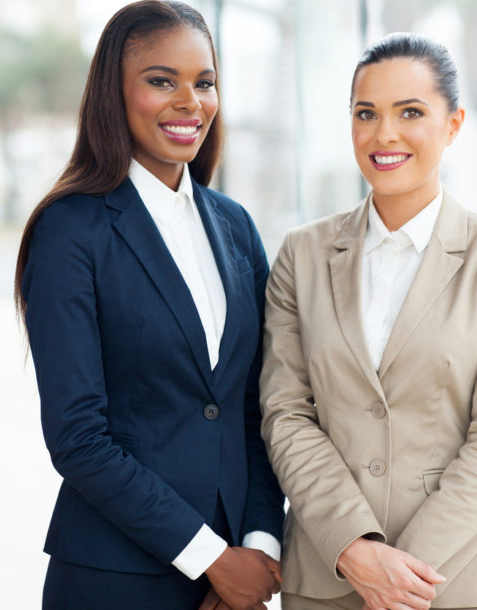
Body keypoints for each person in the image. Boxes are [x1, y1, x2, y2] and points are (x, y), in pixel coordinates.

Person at [14, 2, 285, 608]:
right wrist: (211, 557)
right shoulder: (71, 230)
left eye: (204, 82)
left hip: (237, 579)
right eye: (162, 80)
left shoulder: (235, 227)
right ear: (115, 92)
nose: (190, 101)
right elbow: (79, 437)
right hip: (116, 579)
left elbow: (258, 407)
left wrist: (259, 547)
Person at [260, 32, 477, 609]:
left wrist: (404, 576)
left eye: (411, 112)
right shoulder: (301, 254)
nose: (384, 134)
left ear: (453, 125)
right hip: (325, 578)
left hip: (450, 584)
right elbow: (285, 413)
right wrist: (354, 548)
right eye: (366, 113)